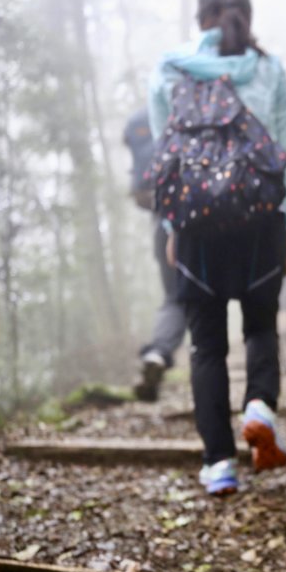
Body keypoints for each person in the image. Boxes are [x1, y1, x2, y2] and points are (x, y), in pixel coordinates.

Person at [149, 0, 286, 495]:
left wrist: (173, 230)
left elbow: (164, 161)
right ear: (247, 15)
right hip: (260, 221)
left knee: (206, 347)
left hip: (196, 228)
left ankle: (219, 464)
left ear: (200, 18)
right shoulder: (269, 70)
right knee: (261, 326)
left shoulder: (171, 70)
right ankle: (260, 405)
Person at [123, 110, 188, 402]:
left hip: (165, 224)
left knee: (175, 299)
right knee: (210, 303)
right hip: (213, 219)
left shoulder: (146, 120)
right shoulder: (205, 109)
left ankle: (158, 352)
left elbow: (140, 192)